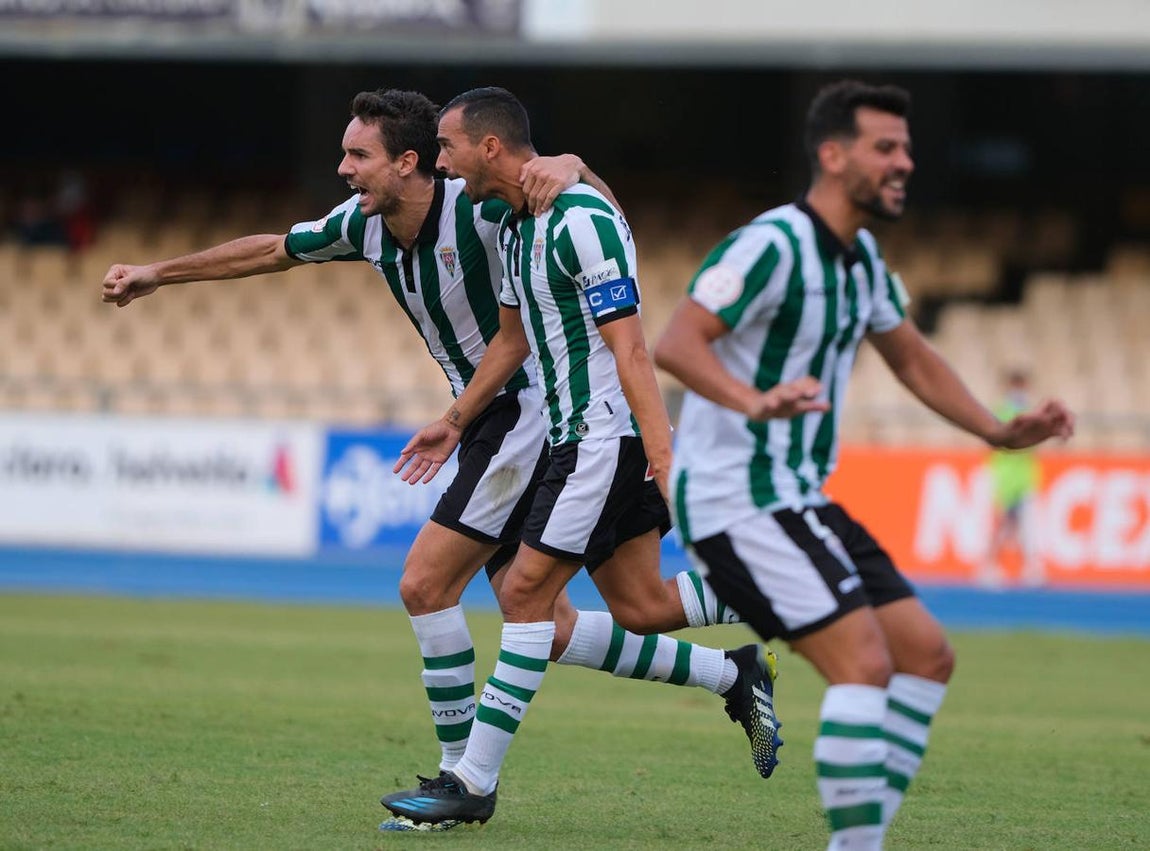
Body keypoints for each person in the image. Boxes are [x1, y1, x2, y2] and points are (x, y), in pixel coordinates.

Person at [101, 88, 778, 832]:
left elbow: (592, 225)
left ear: (411, 163)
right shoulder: (363, 226)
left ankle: (460, 780)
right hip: (518, 423)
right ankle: (734, 667)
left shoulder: (485, 210)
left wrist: (574, 164)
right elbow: (271, 249)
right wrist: (158, 272)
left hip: (528, 416)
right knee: (606, 612)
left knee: (430, 584)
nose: (344, 169)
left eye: (359, 155)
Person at [652, 80, 1075, 850]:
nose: (904, 162)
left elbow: (911, 357)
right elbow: (677, 341)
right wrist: (755, 401)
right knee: (864, 664)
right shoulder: (772, 243)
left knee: (927, 655)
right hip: (734, 498)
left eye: (906, 148)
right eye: (886, 147)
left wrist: (997, 430)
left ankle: (860, 837)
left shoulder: (864, 261)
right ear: (833, 153)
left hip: (798, 496)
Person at [380, 86, 813, 829]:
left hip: (600, 438)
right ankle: (758, 621)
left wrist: (663, 454)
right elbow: (514, 338)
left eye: (447, 147)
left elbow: (633, 347)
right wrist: (457, 419)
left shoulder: (580, 220)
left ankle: (471, 783)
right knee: (640, 606)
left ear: (490, 147)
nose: (441, 162)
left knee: (523, 599)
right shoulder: (513, 226)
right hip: (571, 439)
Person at [979, 368, 1044, 588]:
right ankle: (988, 566)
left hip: (1024, 478)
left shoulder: (1028, 412)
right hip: (1006, 478)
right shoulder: (1003, 412)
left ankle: (1031, 568)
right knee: (1003, 526)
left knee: (1027, 527)